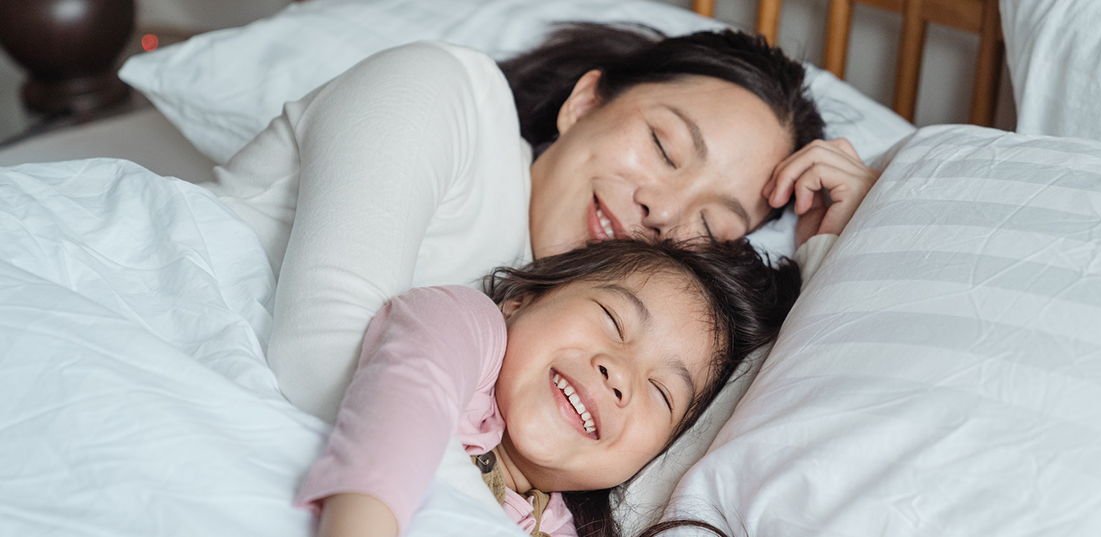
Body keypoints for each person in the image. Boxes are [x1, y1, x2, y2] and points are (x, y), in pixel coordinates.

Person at [205, 23, 879, 422]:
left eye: (712, 224)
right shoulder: (443, 91)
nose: (665, 212)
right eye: (666, 147)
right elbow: (323, 358)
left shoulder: (583, 336)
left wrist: (822, 253)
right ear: (584, 102)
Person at [299, 238, 803, 537]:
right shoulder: (462, 325)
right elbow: (399, 414)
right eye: (613, 319)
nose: (620, 374)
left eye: (661, 392)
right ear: (521, 299)